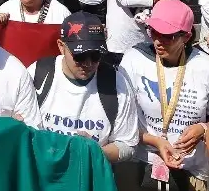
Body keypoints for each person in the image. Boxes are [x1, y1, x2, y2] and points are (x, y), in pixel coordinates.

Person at [118, 0, 209, 189]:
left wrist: (203, 129)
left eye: (168, 36)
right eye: (153, 32)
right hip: (144, 163)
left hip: (190, 169)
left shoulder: (208, 68)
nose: (158, 41)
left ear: (185, 36)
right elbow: (122, 122)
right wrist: (155, 141)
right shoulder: (134, 60)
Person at [28, 12, 140, 162]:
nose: (88, 64)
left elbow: (128, 144)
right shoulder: (38, 73)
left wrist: (92, 152)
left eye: (95, 56)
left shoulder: (117, 83)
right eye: (79, 56)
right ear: (61, 46)